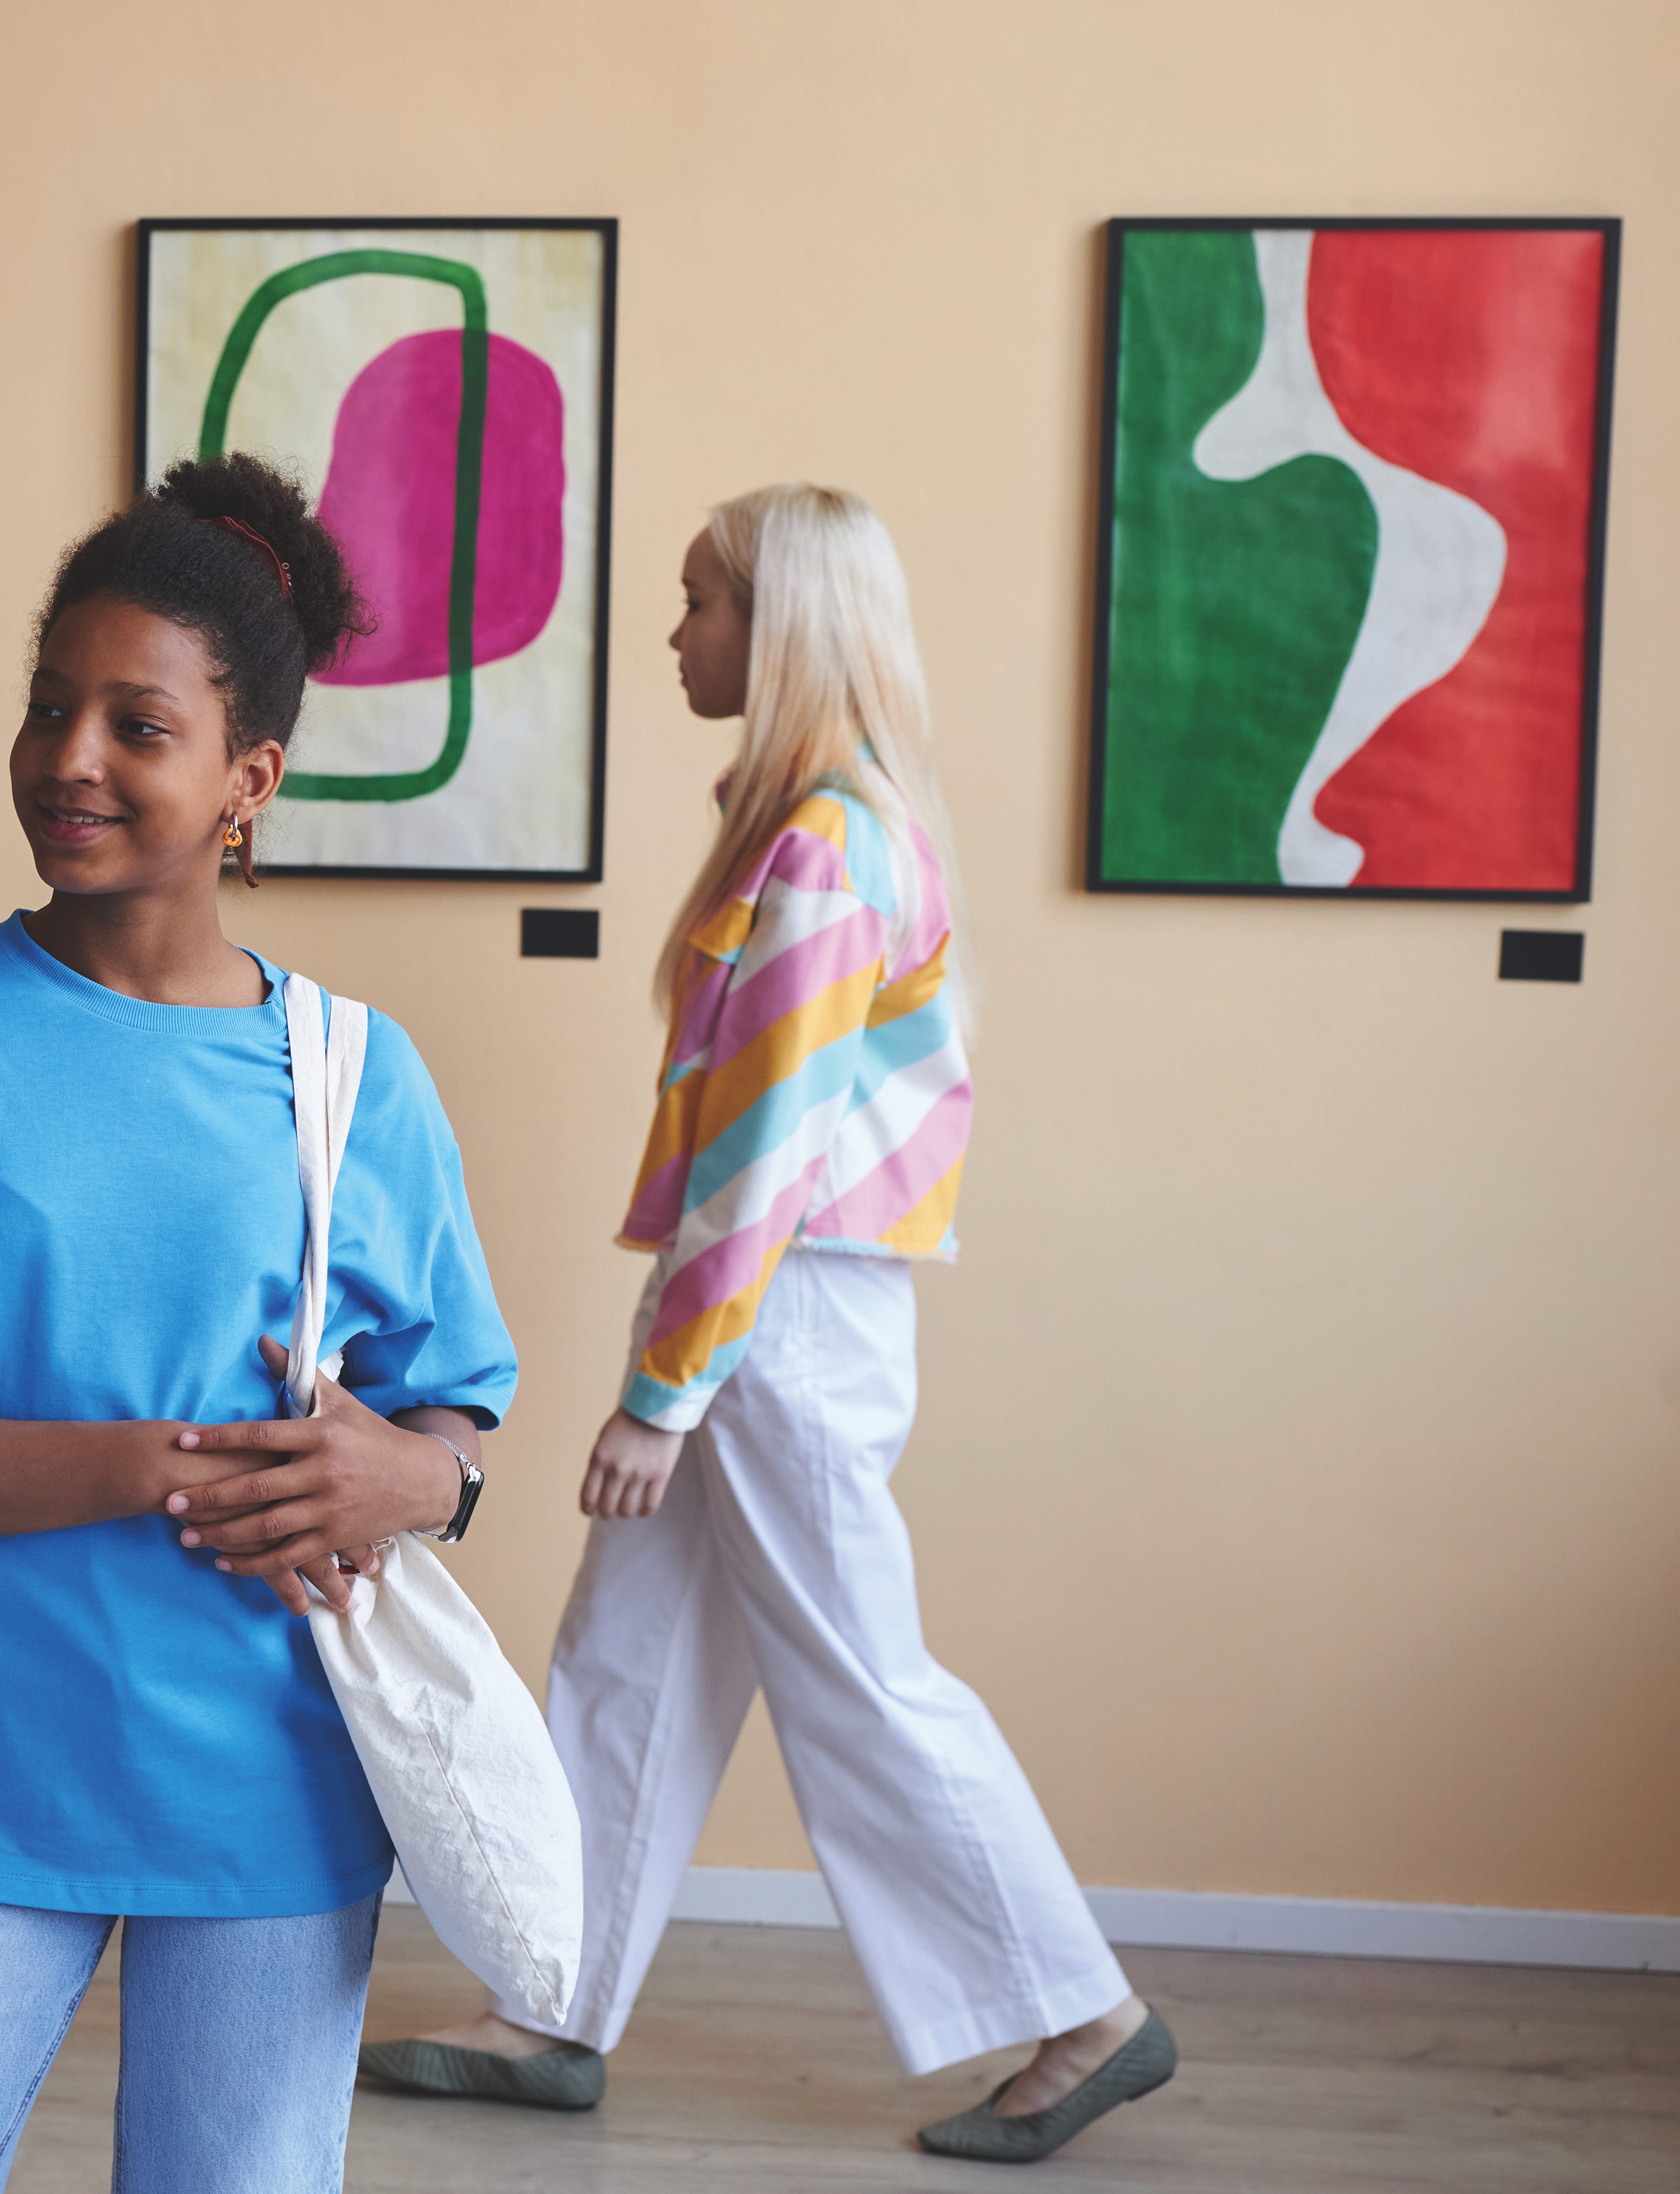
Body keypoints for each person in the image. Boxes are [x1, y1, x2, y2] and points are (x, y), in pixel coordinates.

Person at [0, 456, 521, 2194]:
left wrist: (421, 1485)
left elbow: (446, 1422)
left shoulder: (355, 1079)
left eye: (135, 725)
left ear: (252, 779)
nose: (69, 758)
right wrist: (171, 1467)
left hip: (266, 1780)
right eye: (46, 707)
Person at [357, 485, 1176, 2164]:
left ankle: (1082, 2010)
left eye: (699, 605)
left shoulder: (827, 845)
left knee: (862, 1679)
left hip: (777, 1322)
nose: (676, 636)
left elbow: (766, 1152)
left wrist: (662, 1394)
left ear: (779, 626)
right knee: (626, 1668)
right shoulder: (828, 826)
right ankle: (554, 1999)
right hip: (765, 1314)